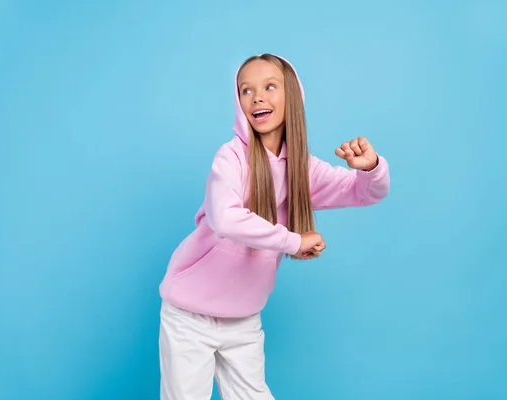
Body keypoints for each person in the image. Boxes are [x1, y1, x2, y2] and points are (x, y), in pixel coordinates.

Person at [157, 53, 390, 399]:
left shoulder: (302, 168)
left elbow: (363, 193)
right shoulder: (231, 158)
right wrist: (292, 241)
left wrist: (370, 168)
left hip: (243, 317)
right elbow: (225, 218)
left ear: (292, 96)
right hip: (190, 316)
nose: (258, 97)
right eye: (246, 91)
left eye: (269, 86)